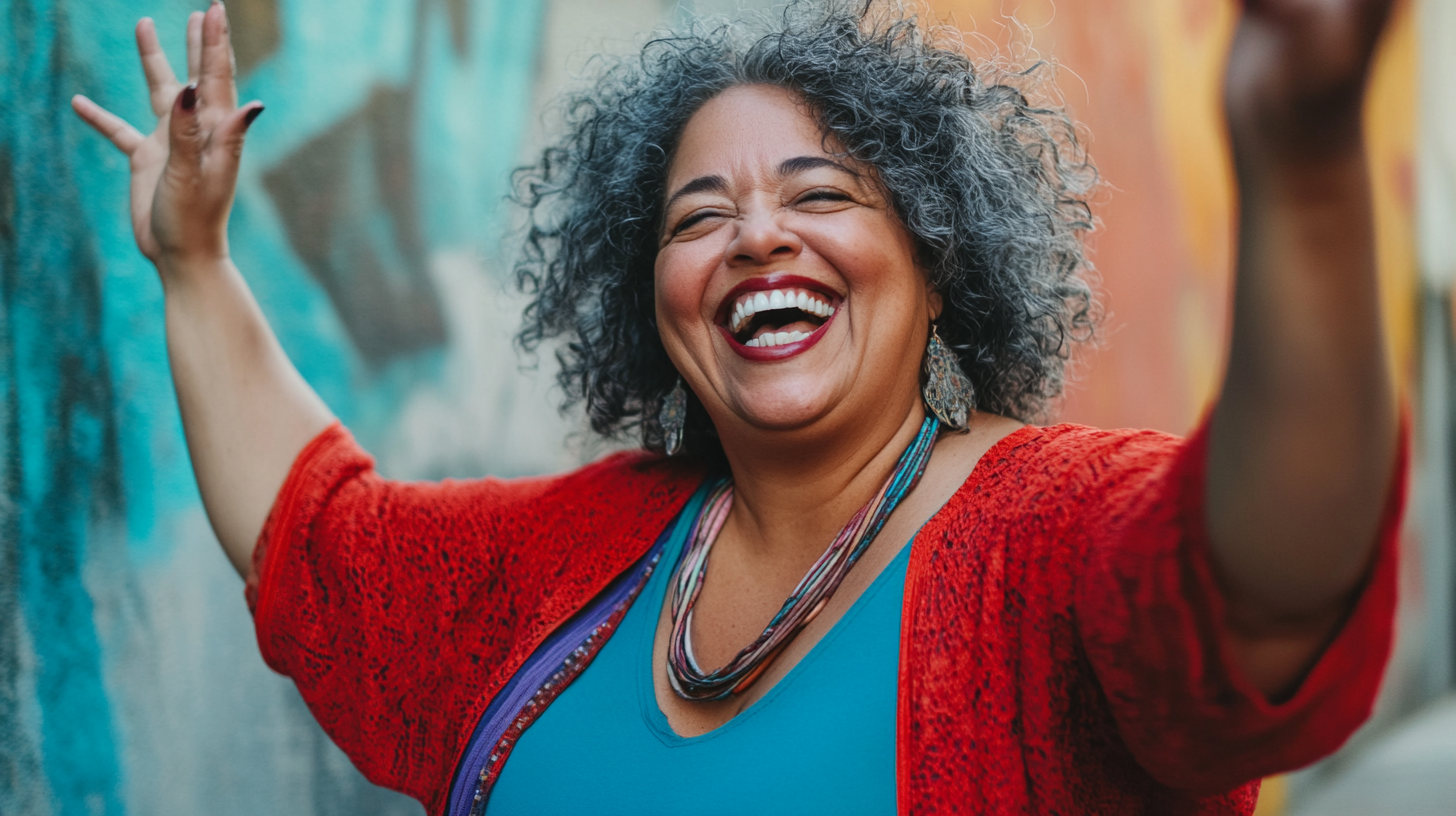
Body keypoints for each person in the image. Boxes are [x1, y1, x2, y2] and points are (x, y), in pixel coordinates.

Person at [71, 0, 1404, 813]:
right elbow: (322, 540)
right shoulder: (570, 568)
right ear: (655, 302)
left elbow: (1261, 591)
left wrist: (1307, 165)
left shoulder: (1048, 539)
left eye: (821, 197)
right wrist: (193, 266)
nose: (758, 238)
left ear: (938, 267)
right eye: (699, 217)